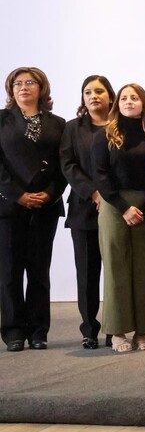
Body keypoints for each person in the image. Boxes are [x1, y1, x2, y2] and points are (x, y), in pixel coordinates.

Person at [0, 67, 66, 352]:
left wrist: (49, 193)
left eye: (30, 82)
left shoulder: (58, 124)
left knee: (39, 270)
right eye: (17, 83)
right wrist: (18, 195)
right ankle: (13, 330)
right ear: (11, 90)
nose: (24, 87)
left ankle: (39, 330)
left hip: (45, 204)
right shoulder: (1, 121)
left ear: (42, 88)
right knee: (10, 270)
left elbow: (65, 165)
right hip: (8, 204)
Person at [93, 83, 145, 353]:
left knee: (144, 269)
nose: (129, 101)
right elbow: (100, 174)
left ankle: (141, 331)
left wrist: (143, 205)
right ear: (116, 104)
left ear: (143, 103)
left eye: (135, 98)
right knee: (116, 267)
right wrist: (124, 207)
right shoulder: (105, 135)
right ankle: (117, 331)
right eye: (124, 98)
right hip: (114, 206)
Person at [60, 75, 114, 349]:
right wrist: (93, 193)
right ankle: (89, 329)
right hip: (83, 209)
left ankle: (115, 327)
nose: (94, 96)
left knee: (115, 272)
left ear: (110, 95)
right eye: (88, 92)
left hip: (117, 209)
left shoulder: (121, 126)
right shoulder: (72, 128)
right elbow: (68, 165)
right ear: (83, 98)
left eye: (99, 91)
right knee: (87, 272)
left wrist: (110, 196)